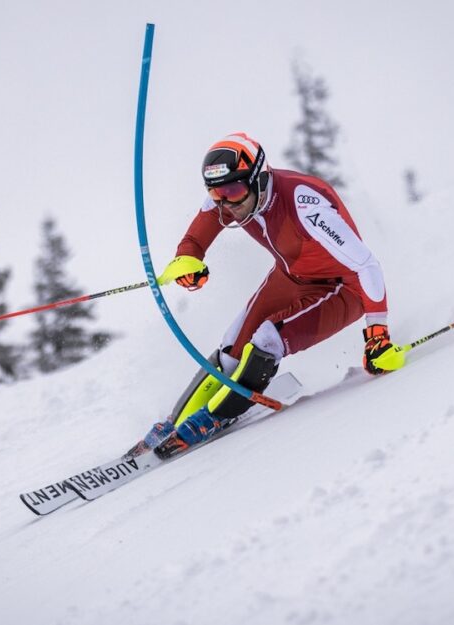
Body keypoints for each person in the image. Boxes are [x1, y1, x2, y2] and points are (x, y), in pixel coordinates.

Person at [142, 132, 405, 459]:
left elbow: (366, 264)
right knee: (231, 349)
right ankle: (175, 421)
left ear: (259, 179)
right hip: (291, 277)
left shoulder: (305, 204)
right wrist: (188, 261)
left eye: (234, 192)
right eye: (216, 193)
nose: (225, 203)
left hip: (341, 287)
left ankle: (216, 416)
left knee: (267, 340)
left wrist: (377, 335)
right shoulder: (228, 197)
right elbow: (194, 241)